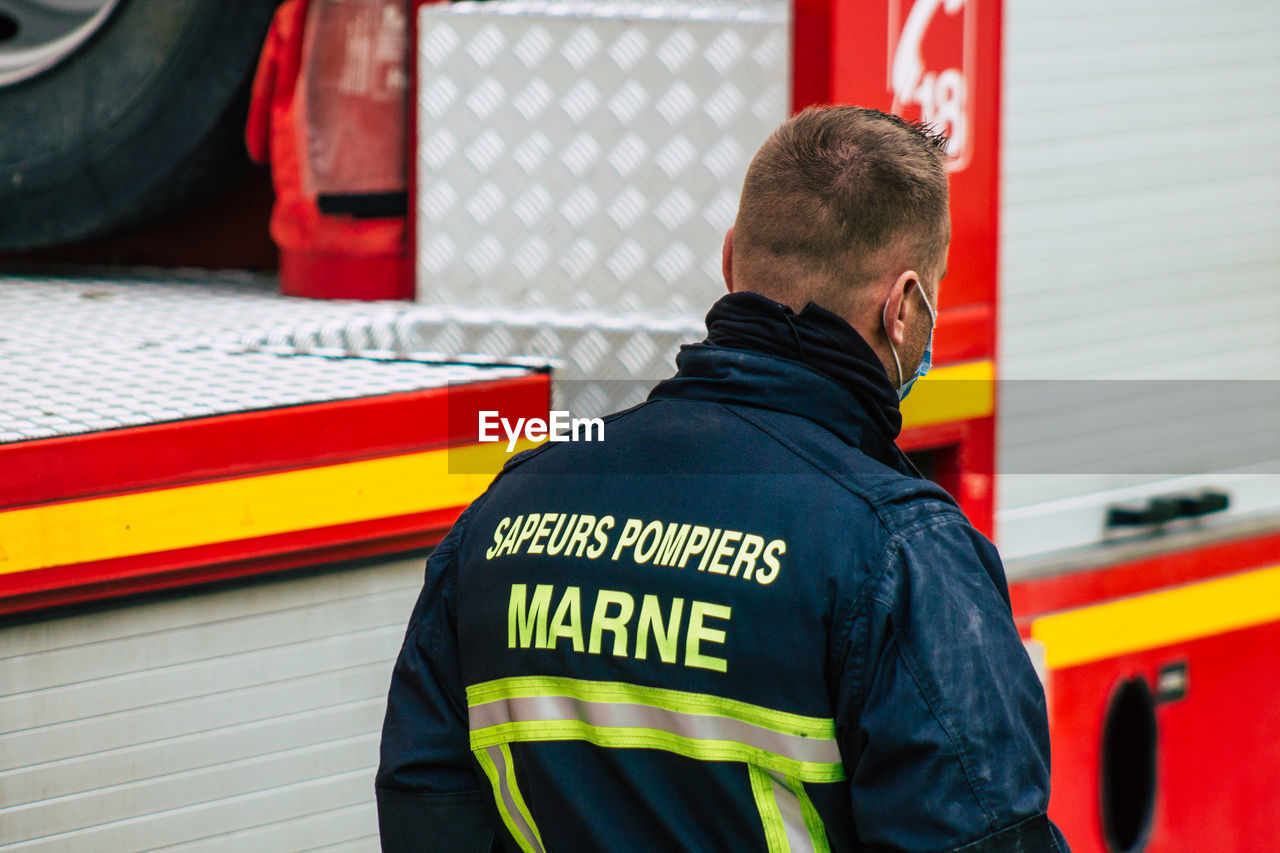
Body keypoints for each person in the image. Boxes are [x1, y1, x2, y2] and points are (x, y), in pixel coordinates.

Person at [376, 106, 1069, 852]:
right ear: (903, 308)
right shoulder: (901, 552)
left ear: (731, 261)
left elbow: (425, 801)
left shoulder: (508, 511)